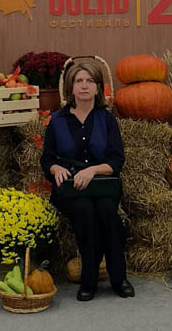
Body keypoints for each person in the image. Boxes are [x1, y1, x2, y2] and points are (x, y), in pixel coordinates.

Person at [40, 59, 132, 302]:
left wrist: (92, 171)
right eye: (79, 81)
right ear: (70, 87)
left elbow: (116, 160)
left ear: (98, 87)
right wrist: (56, 168)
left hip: (102, 185)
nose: (84, 86)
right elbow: (47, 159)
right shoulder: (57, 120)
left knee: (107, 211)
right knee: (84, 210)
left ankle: (119, 278)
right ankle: (88, 281)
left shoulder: (106, 119)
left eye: (90, 81)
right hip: (71, 189)